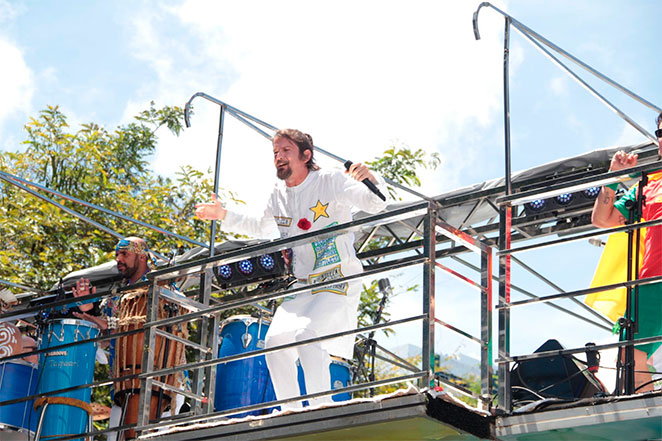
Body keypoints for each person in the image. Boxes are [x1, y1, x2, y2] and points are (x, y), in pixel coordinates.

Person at [195, 128, 389, 409]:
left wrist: (369, 177)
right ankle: (291, 410)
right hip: (302, 284)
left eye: (286, 151)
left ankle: (323, 409)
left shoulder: (330, 180)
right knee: (275, 344)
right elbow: (259, 226)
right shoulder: (278, 194)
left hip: (337, 277)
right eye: (275, 153)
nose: (279, 157)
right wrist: (222, 215)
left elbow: (377, 203)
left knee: (308, 336)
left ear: (306, 155)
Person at [72, 237, 186, 440]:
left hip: (161, 387)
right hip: (123, 388)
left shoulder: (162, 286)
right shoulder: (116, 295)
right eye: (117, 255)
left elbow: (168, 325)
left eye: (124, 254)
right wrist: (89, 313)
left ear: (141, 256)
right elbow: (106, 341)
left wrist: (113, 325)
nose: (119, 259)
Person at [591, 112, 662, 393]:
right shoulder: (650, 183)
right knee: (628, 350)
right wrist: (613, 177)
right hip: (653, 280)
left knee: (629, 351)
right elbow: (602, 219)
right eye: (660, 133)